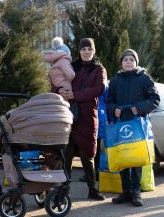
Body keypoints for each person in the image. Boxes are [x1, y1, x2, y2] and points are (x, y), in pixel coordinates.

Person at [107, 49, 160, 207]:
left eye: (131, 60)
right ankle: (125, 191)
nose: (128, 62)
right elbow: (109, 101)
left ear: (136, 62)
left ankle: (136, 192)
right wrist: (114, 109)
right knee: (123, 157)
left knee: (136, 158)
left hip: (138, 124)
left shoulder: (144, 78)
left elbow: (155, 99)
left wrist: (139, 108)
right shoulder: (115, 80)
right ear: (121, 63)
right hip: (121, 124)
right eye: (125, 60)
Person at [61, 38, 107, 201]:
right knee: (66, 155)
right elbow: (59, 81)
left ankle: (92, 189)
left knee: (87, 155)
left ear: (94, 51)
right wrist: (62, 92)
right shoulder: (71, 67)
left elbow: (99, 88)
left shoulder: (99, 68)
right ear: (79, 51)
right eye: (83, 49)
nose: (86, 52)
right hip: (69, 116)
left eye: (90, 49)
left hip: (88, 117)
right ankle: (63, 190)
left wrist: (76, 95)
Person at [79, 84, 108, 182]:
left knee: (98, 150)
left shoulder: (104, 86)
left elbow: (108, 102)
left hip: (99, 120)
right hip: (88, 119)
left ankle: (97, 172)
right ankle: (90, 173)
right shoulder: (85, 84)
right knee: (89, 149)